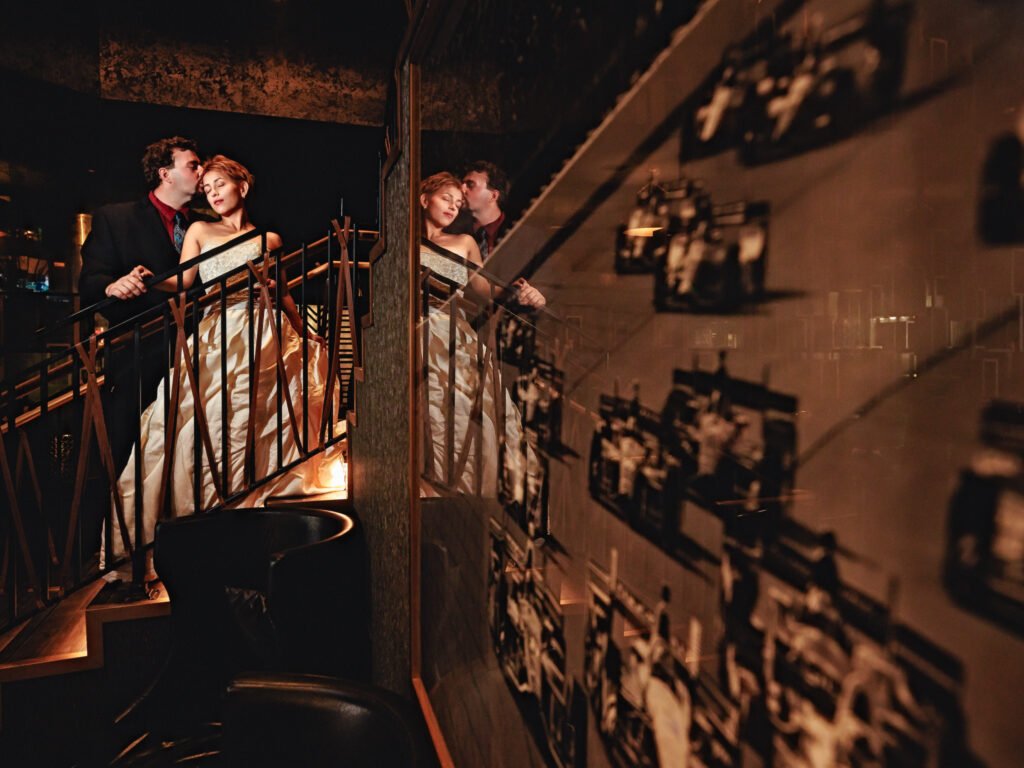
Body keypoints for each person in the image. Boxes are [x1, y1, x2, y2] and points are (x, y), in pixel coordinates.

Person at [108, 155, 342, 575]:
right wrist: (145, 280)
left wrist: (301, 330)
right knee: (211, 420)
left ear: (243, 188)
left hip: (265, 332)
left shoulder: (268, 239)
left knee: (263, 418)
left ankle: (258, 520)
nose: (212, 193)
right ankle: (209, 521)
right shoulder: (200, 230)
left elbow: (283, 291)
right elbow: (184, 280)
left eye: (220, 185)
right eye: (207, 188)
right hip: (220, 333)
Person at [80, 136, 206, 474]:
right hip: (140, 357)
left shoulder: (208, 222)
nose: (202, 170)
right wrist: (112, 285)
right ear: (165, 174)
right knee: (135, 459)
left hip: (202, 355)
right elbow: (89, 283)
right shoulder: (116, 219)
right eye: (193, 165)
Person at [418, 171, 543, 495]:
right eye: (447, 198)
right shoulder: (404, 244)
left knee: (464, 407)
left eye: (459, 203)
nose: (453, 207)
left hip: (449, 332)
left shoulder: (464, 243)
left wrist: (522, 294)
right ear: (423, 199)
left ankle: (467, 487)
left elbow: (485, 290)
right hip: (411, 332)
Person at [461, 161, 512, 259]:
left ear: (493, 196)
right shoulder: (455, 229)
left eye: (470, 185)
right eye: (462, 183)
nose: (462, 188)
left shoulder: (514, 231)